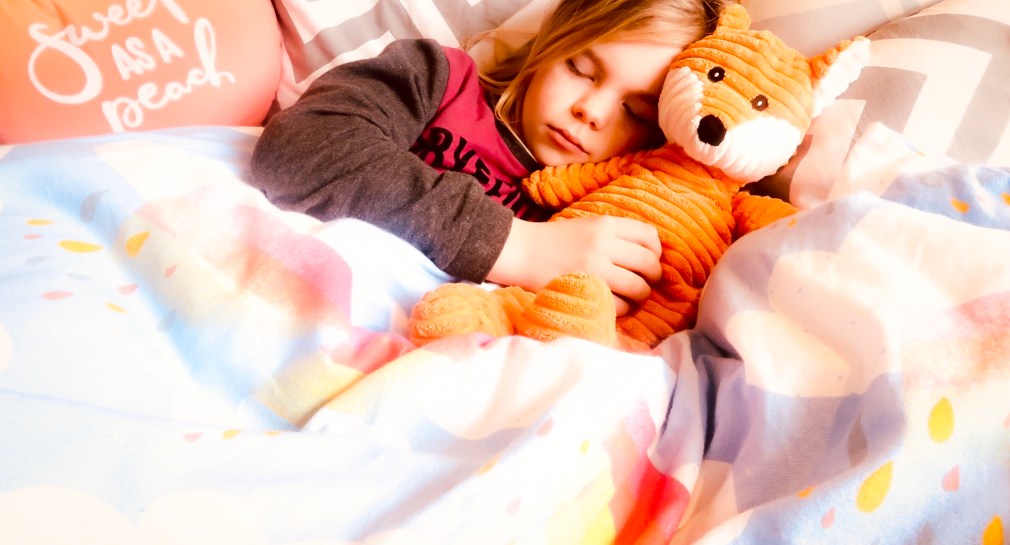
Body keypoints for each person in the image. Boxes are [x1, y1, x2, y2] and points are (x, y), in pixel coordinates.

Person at [250, 0, 724, 315]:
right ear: (550, 42)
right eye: (580, 68)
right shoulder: (440, 80)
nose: (592, 111)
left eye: (635, 111)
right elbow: (299, 146)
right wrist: (516, 246)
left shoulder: (617, 208)